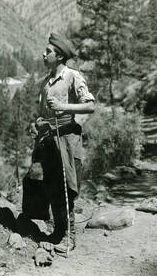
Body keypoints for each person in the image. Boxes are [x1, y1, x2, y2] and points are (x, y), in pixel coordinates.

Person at [31, 33, 95, 257]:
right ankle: (58, 231)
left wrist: (63, 106)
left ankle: (70, 235)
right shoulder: (45, 82)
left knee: (67, 186)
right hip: (48, 140)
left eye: (48, 51)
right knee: (51, 186)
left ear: (59, 56)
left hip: (68, 140)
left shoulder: (73, 76)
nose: (43, 54)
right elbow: (42, 114)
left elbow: (90, 105)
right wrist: (38, 123)